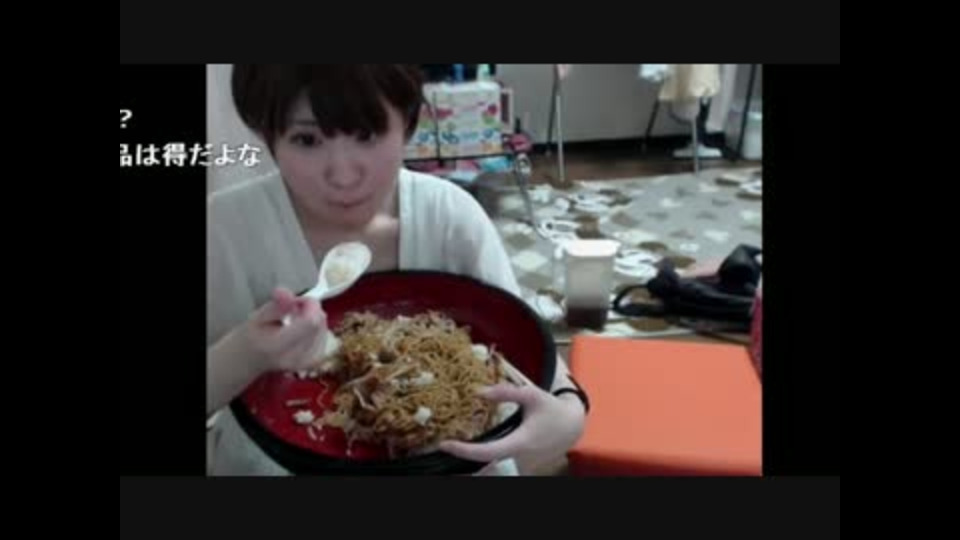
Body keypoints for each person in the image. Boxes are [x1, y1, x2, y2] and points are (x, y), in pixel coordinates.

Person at [206, 64, 586, 475]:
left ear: (407, 123)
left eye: (367, 134)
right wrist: (243, 353)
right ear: (267, 134)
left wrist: (569, 414)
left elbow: (526, 350)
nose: (343, 176)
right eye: (307, 139)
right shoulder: (224, 229)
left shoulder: (449, 216)